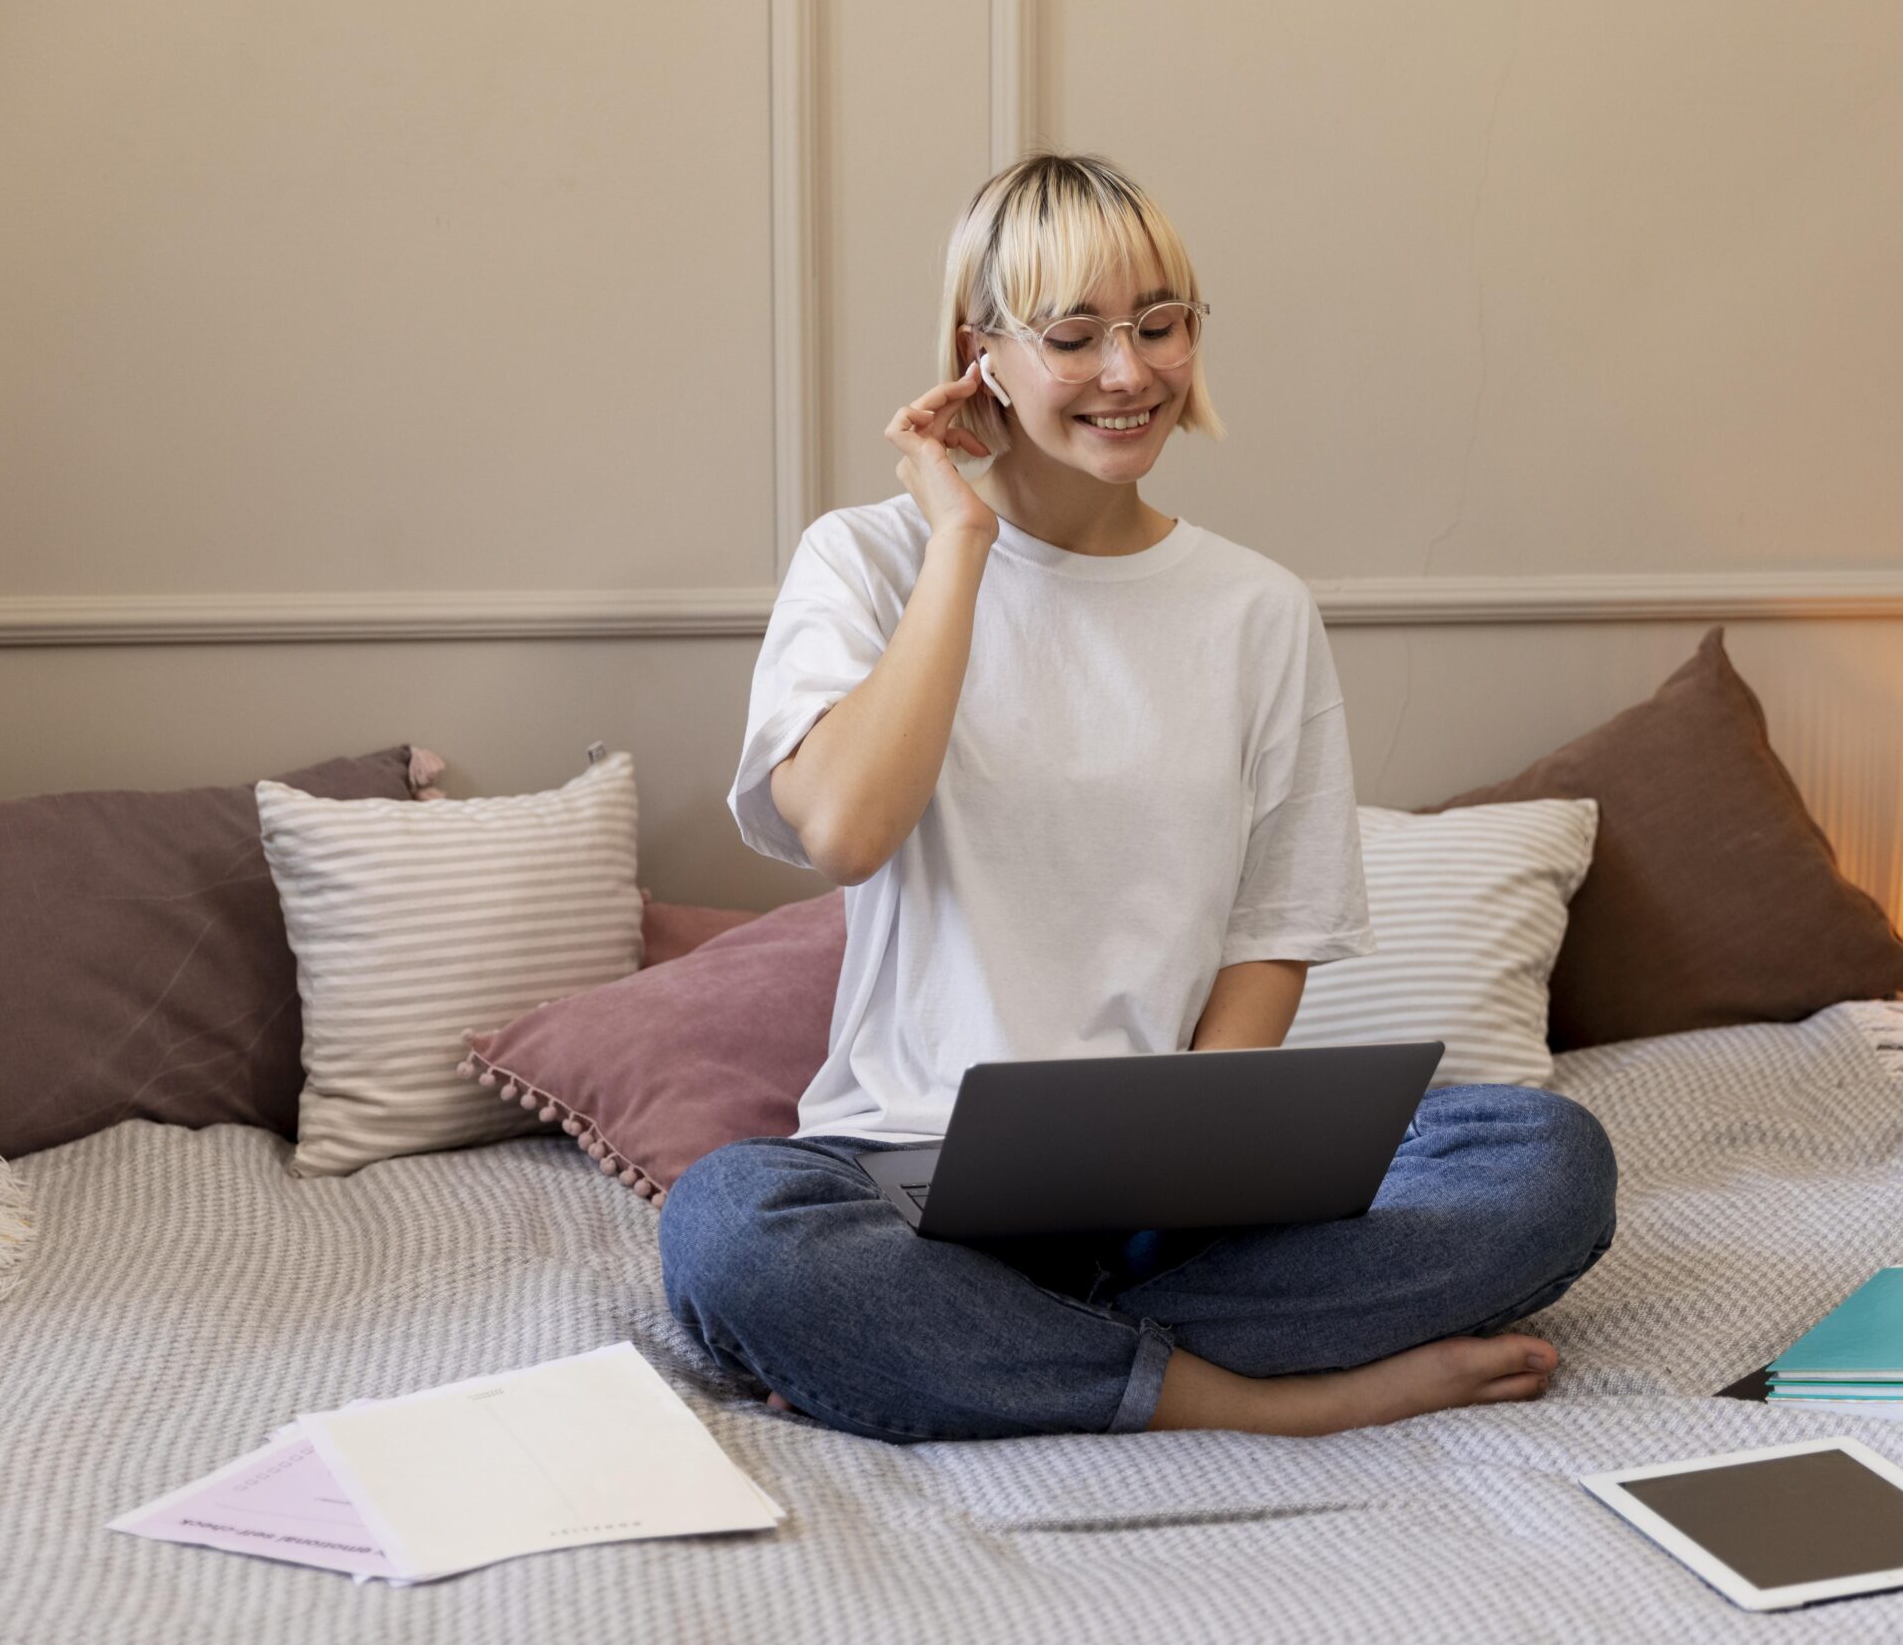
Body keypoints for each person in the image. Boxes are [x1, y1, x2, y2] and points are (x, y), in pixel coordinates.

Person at [660, 152, 1615, 1443]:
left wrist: (1185, 1162)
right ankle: (1257, 1399)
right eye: (1074, 337)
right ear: (980, 349)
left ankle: (982, 1354)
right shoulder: (869, 559)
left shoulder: (1255, 610)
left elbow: (1270, 938)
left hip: (1171, 1199)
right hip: (894, 1172)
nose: (1132, 374)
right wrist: (961, 543)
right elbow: (844, 828)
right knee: (729, 1235)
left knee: (1544, 1163)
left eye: (1161, 326)